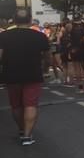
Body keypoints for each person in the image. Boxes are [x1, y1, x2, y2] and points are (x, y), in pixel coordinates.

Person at [0, 8, 50, 145]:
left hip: (11, 74)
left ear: (14, 21)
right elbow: (47, 57)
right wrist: (46, 68)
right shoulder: (40, 36)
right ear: (30, 20)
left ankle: (22, 129)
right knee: (30, 105)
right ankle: (27, 136)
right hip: (33, 74)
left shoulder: (4, 36)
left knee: (16, 105)